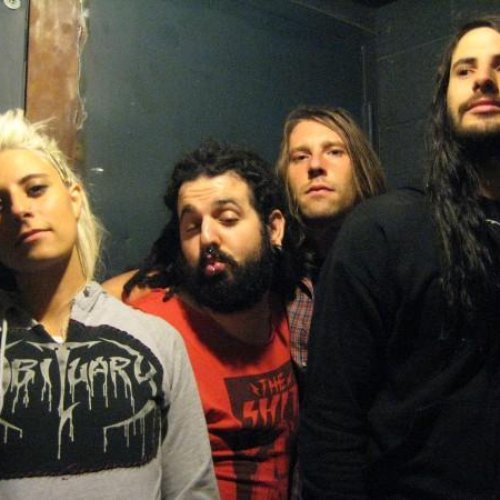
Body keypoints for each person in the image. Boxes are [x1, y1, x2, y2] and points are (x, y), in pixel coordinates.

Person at [300, 16, 500, 498]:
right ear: (442, 103)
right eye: (464, 70)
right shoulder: (385, 231)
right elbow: (331, 424)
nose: (483, 79)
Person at [0, 110, 218, 499]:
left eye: (35, 189)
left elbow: (193, 491)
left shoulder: (157, 340)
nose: (19, 210)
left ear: (74, 198)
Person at [106, 142, 300, 499]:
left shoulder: (293, 310)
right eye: (192, 226)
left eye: (227, 219)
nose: (208, 237)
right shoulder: (151, 329)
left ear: (274, 228)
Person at [275, 106, 386, 380]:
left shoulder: (393, 261)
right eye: (300, 157)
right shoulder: (277, 273)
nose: (315, 166)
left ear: (360, 167)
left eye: (334, 152)